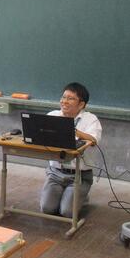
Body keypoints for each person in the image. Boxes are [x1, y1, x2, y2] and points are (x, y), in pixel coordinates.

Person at [39, 82, 102, 218]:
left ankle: (82, 197)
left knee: (67, 212)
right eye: (63, 97)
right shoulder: (53, 115)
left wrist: (72, 130)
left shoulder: (90, 119)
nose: (64, 101)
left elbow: (93, 140)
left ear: (81, 104)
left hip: (79, 176)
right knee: (47, 209)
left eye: (70, 98)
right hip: (55, 173)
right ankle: (67, 195)